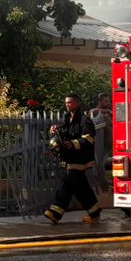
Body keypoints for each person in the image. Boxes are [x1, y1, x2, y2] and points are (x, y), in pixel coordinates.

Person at [44, 93, 102, 224]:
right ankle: (94, 213)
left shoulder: (85, 120)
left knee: (67, 184)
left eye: (69, 102)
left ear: (77, 103)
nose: (67, 105)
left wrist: (74, 144)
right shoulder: (66, 118)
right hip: (68, 158)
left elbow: (89, 138)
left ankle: (55, 213)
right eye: (66, 102)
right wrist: (55, 130)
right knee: (81, 188)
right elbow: (64, 132)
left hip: (79, 159)